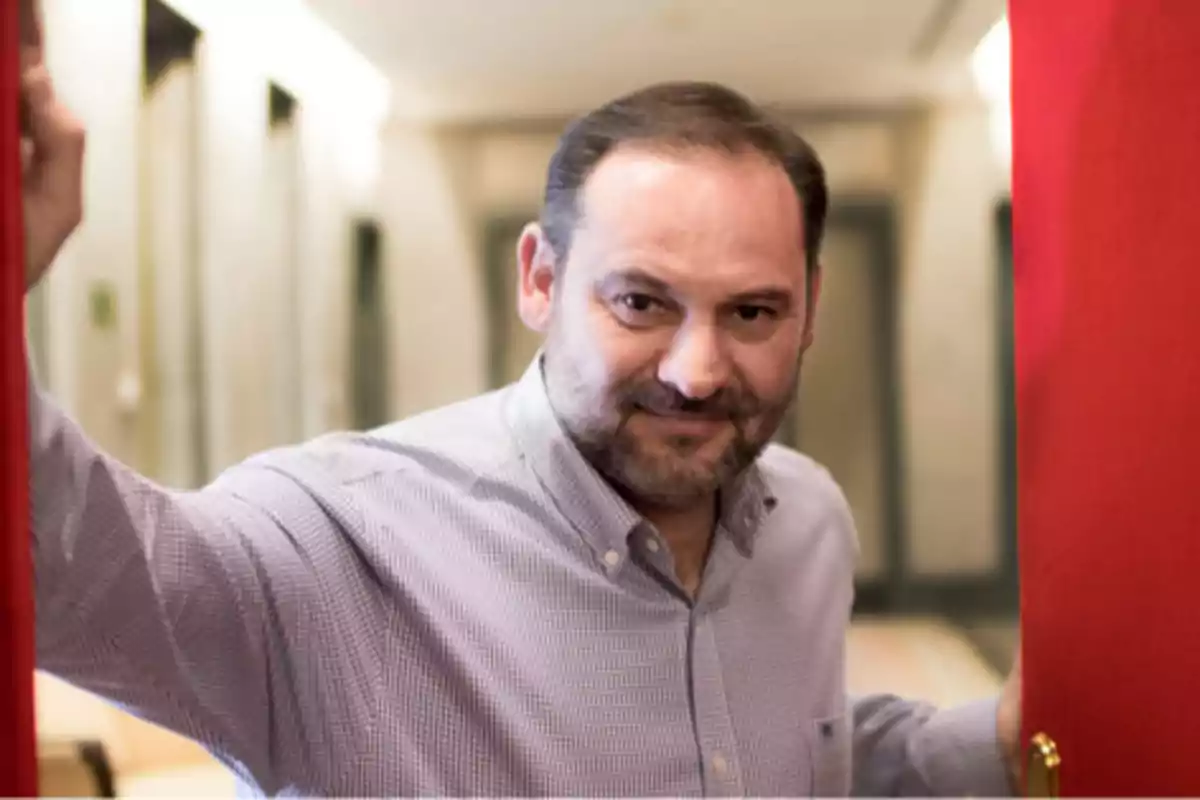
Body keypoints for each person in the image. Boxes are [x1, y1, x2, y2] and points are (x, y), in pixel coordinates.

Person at [20, 33, 1021, 797]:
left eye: (752, 311)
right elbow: (74, 567)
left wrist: (996, 743)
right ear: (540, 279)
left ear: (810, 308)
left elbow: (785, 747)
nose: (700, 368)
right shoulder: (336, 541)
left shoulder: (807, 519)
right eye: (641, 301)